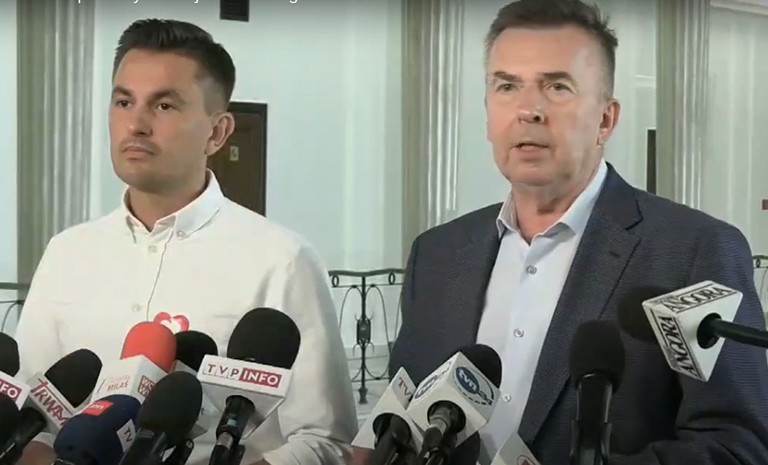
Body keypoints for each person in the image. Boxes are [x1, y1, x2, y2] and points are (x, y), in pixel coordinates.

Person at [388, 1, 768, 464]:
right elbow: (401, 422)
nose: (529, 110)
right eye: (507, 86)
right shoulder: (437, 254)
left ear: (606, 119)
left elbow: (738, 445)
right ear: (488, 111)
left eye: (557, 86)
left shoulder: (694, 251)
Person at [15, 19, 357, 465]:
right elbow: (31, 418)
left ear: (218, 133)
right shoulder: (67, 252)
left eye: (163, 106)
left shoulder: (282, 260)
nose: (136, 124)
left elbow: (324, 439)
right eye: (124, 101)